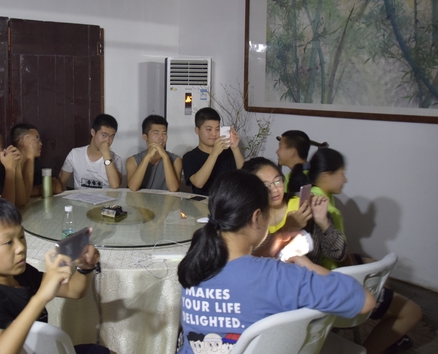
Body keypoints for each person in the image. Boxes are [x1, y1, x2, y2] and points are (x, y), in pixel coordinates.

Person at [176, 170, 375, 353]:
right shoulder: (275, 276)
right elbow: (365, 301)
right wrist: (309, 266)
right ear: (257, 217)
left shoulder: (194, 263)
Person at [291, 148, 423, 354]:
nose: (345, 180)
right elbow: (339, 255)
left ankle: (387, 332)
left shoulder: (314, 196)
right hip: (330, 278)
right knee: (412, 312)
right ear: (326, 175)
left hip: (324, 270)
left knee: (377, 269)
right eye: (341, 173)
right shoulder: (323, 210)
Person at [0, 196, 109, 354]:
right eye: (8, 242)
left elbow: (73, 290)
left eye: (21, 237)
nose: (21, 248)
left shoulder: (21, 273)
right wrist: (40, 298)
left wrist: (85, 267)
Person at [242, 157, 347, 266]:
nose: (274, 190)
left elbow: (338, 254)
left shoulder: (303, 207)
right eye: (265, 186)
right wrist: (285, 229)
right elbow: (249, 261)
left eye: (277, 181)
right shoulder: (250, 218)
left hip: (308, 275)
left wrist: (323, 222)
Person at [182, 107, 244, 196]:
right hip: (203, 202)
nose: (214, 134)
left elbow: (246, 176)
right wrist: (214, 153)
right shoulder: (190, 157)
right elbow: (198, 183)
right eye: (209, 129)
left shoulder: (229, 153)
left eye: (217, 129)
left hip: (228, 200)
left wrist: (235, 148)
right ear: (197, 130)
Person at [59, 114, 123, 190]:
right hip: (80, 197)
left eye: (111, 136)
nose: (108, 141)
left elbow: (115, 185)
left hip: (105, 198)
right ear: (93, 132)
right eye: (104, 135)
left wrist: (106, 154)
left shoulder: (116, 159)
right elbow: (61, 182)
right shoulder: (75, 154)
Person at [126, 115, 182, 191]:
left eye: (164, 133)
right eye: (156, 133)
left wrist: (165, 157)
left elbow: (173, 189)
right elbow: (133, 187)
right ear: (145, 137)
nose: (161, 137)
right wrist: (147, 157)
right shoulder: (133, 160)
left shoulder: (176, 160)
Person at [10, 123, 63, 199]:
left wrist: (32, 191)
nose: (40, 143)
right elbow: (18, 199)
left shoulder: (35, 163)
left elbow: (56, 187)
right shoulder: (8, 163)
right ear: (22, 141)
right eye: (36, 139)